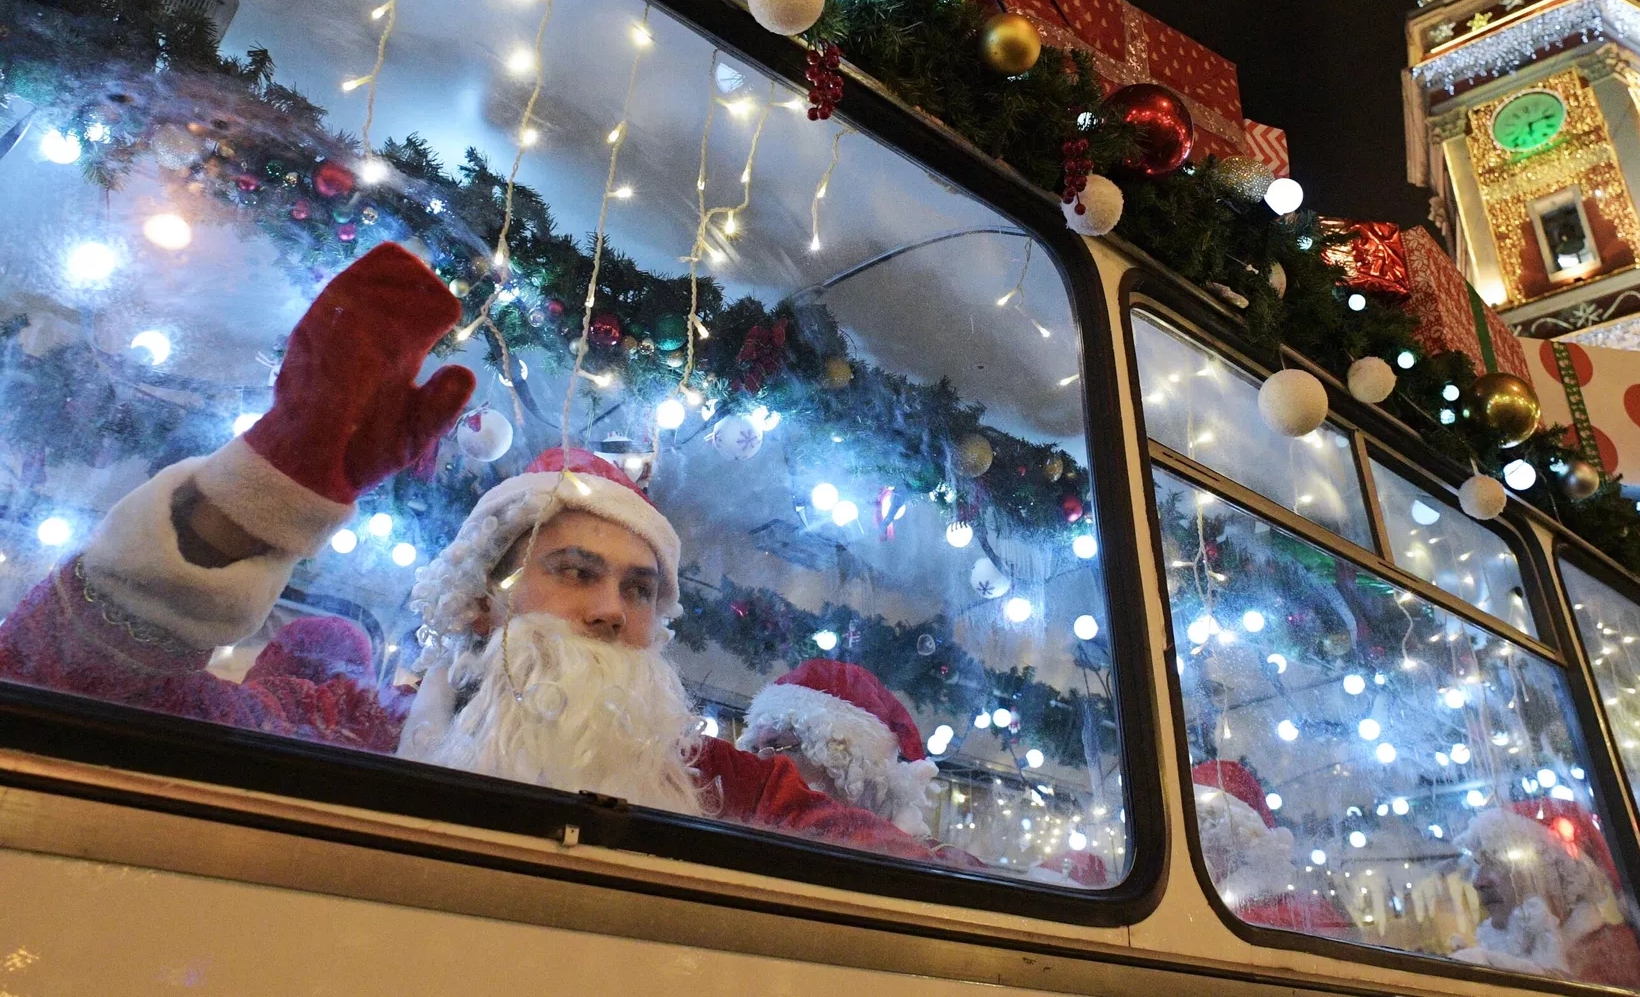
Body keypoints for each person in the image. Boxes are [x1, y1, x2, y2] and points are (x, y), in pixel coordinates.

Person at [0, 243, 937, 858]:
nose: (613, 612)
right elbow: (76, 690)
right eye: (576, 572)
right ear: (484, 596)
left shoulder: (728, 786)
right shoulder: (351, 729)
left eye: (642, 589)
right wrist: (255, 504)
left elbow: (914, 875)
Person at [1451, 800, 1640, 989]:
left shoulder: (1616, 953)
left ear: (1557, 873)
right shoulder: (1494, 955)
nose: (1479, 882)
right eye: (1477, 865)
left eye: (1499, 863)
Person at [736, 660, 939, 837]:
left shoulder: (917, 856)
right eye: (754, 749)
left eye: (778, 746)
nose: (761, 761)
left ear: (844, 759)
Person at [1191, 759, 1352, 936]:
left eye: (1214, 832)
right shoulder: (1307, 911)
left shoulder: (1286, 916)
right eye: (1201, 833)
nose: (1209, 850)